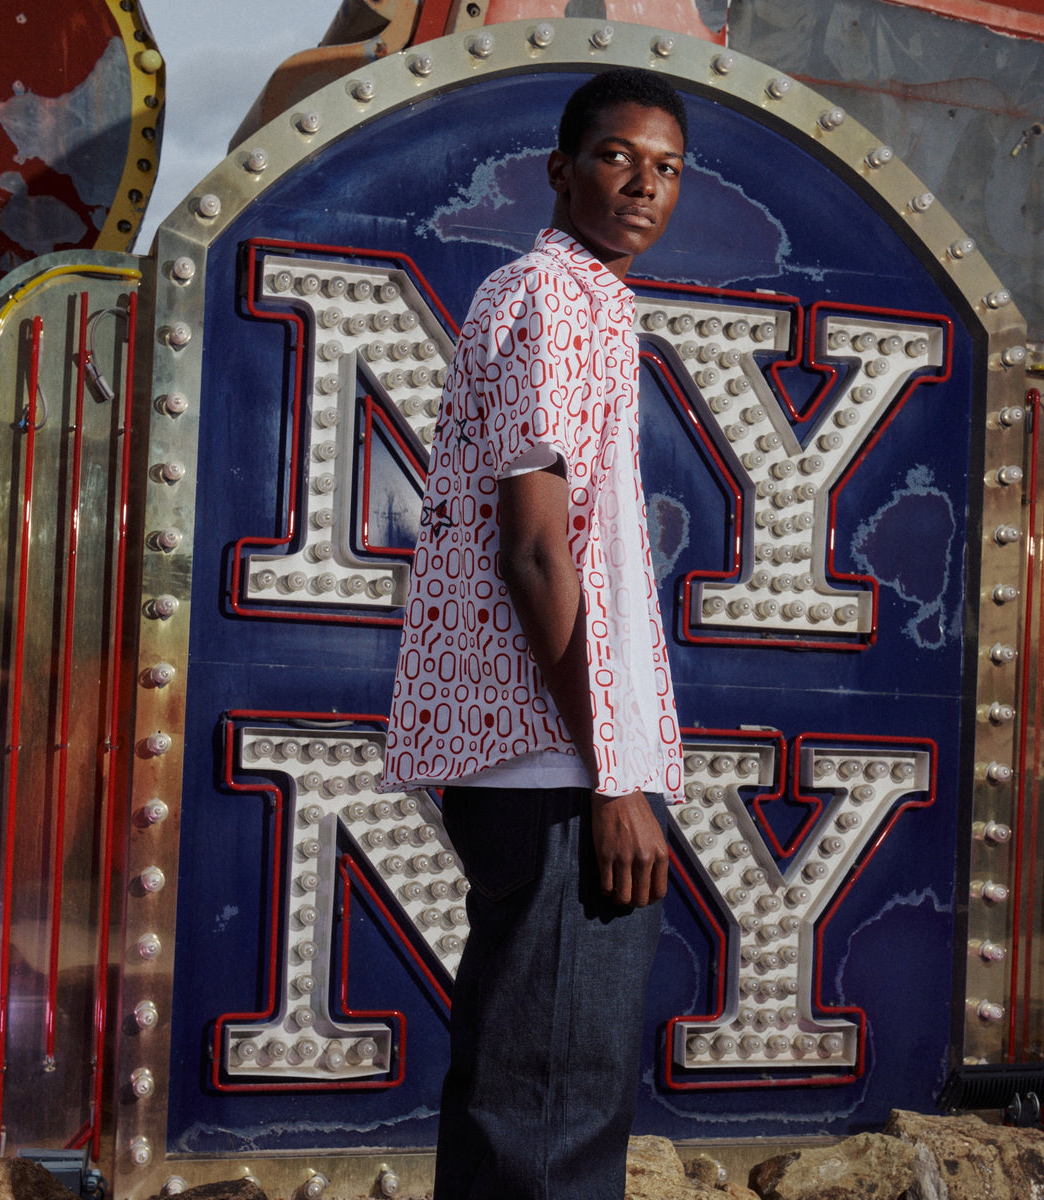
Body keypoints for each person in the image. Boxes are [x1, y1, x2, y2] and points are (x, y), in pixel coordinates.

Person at [381, 67, 687, 1200]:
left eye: (666, 169)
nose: (642, 185)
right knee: (551, 1119)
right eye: (616, 156)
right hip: (562, 769)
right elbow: (534, 548)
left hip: (545, 760)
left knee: (525, 1097)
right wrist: (613, 775)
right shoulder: (557, 298)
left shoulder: (563, 296)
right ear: (560, 170)